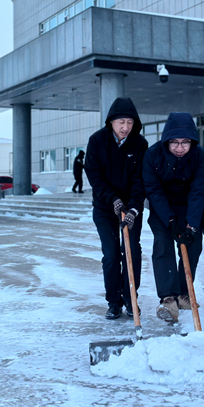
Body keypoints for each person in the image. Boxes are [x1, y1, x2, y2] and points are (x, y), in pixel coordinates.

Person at [143, 112, 204, 323]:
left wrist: (191, 226)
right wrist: (170, 221)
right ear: (166, 141)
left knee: (193, 245)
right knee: (163, 245)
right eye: (174, 142)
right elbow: (154, 191)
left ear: (192, 142)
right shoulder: (153, 155)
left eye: (185, 142)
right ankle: (168, 297)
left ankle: (184, 293)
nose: (179, 148)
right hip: (162, 207)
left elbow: (199, 192)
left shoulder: (200, 157)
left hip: (189, 206)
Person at [84, 97, 148, 320]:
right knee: (111, 254)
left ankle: (131, 298)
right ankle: (114, 302)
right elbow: (94, 175)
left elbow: (141, 180)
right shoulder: (97, 142)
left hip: (131, 208)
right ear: (111, 121)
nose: (125, 127)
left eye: (130, 123)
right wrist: (113, 199)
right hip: (104, 208)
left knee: (131, 251)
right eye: (121, 122)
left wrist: (133, 209)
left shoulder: (140, 144)